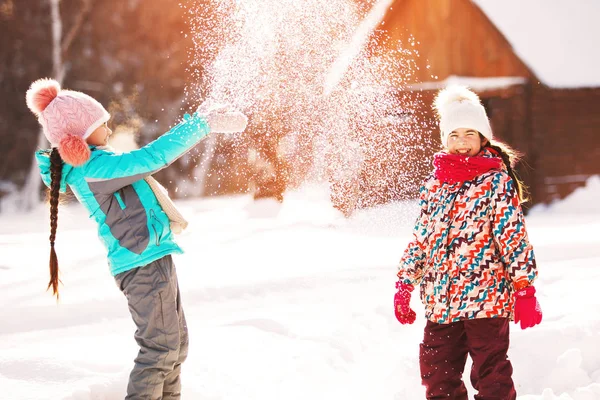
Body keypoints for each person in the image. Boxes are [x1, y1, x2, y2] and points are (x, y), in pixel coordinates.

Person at [26, 77, 248, 399]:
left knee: (175, 347)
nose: (109, 129)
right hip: (142, 265)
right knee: (159, 350)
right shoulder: (94, 169)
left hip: (153, 258)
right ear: (83, 134)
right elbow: (150, 159)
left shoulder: (96, 164)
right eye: (102, 123)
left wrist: (196, 120)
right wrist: (201, 126)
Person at [394, 85, 542, 400]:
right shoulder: (434, 186)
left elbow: (512, 235)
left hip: (486, 298)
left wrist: (525, 287)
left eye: (470, 134)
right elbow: (421, 240)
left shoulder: (495, 182)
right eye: (455, 135)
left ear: (483, 138)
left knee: (492, 377)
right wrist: (404, 284)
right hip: (441, 299)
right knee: (437, 375)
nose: (462, 143)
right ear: (445, 139)